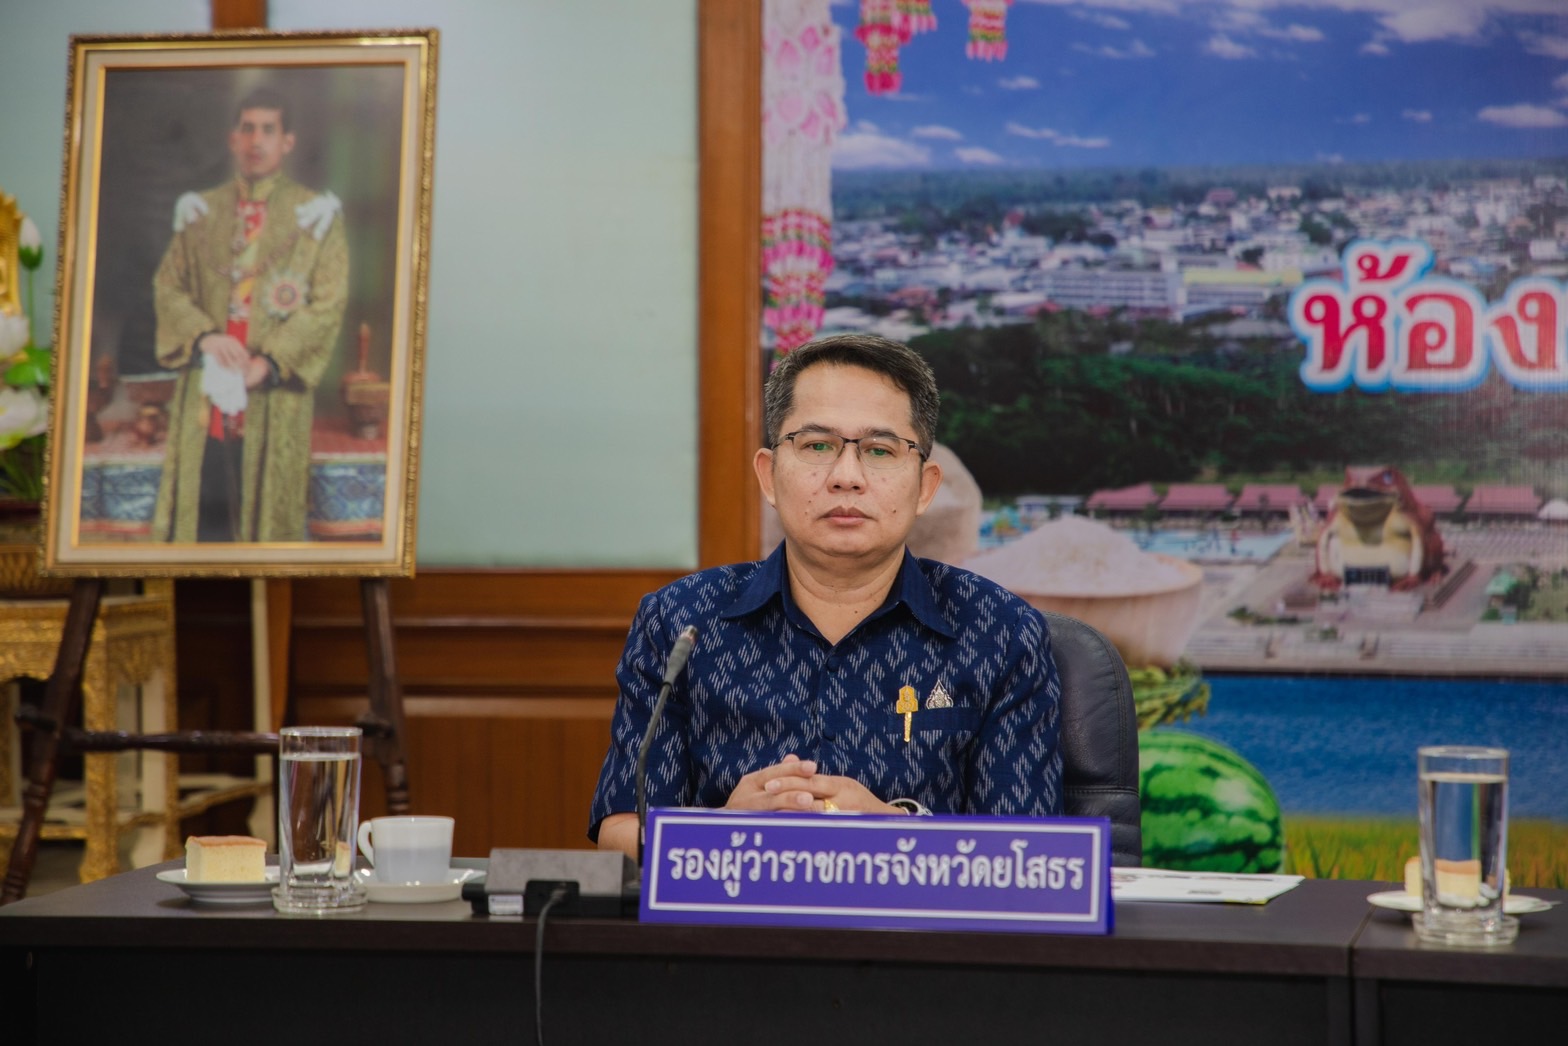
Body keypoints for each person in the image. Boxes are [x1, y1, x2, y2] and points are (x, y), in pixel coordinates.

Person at [590, 333, 1063, 858]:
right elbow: (618, 836)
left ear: (925, 487)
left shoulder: (999, 631)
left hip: (916, 938)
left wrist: (893, 829)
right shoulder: (680, 622)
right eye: (817, 446)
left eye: (880, 451)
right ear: (769, 476)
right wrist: (720, 828)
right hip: (729, 930)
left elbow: (1031, 855)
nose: (846, 477)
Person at [150, 86, 348, 542]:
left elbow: (327, 302)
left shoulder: (316, 217)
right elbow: (167, 285)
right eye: (247, 129)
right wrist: (203, 337)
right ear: (232, 139)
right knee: (205, 522)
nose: (256, 141)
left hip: (271, 398)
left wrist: (269, 364)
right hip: (205, 400)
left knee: (264, 529)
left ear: (288, 141)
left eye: (268, 130)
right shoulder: (202, 211)